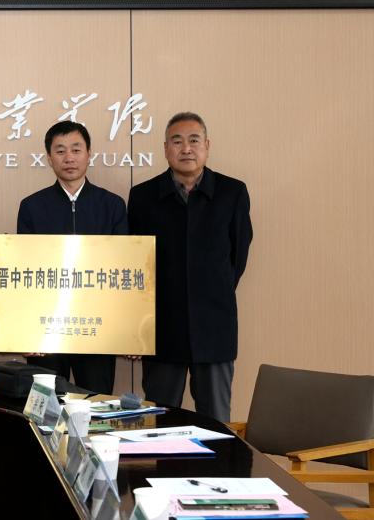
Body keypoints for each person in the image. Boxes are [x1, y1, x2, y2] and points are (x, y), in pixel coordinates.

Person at [127, 112, 252, 422]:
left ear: (207, 145)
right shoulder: (143, 196)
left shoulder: (232, 192)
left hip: (214, 327)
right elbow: (137, 264)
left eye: (194, 140)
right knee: (158, 421)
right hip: (162, 329)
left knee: (216, 422)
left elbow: (237, 257)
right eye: (177, 141)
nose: (186, 149)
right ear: (165, 148)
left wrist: (209, 290)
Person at [16, 121, 127, 395]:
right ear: (49, 158)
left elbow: (123, 269)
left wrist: (129, 329)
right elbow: (24, 273)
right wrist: (25, 330)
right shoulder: (32, 207)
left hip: (97, 327)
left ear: (89, 154)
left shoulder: (112, 205)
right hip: (47, 328)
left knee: (95, 403)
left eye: (76, 149)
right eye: (60, 151)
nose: (69, 158)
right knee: (46, 407)